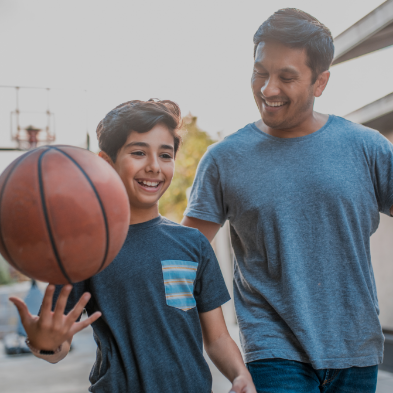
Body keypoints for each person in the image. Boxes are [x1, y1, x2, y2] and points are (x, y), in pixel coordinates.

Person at [182, 8, 392, 393]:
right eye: (260, 72)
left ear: (320, 82)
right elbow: (183, 256)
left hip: (356, 350)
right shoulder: (224, 160)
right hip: (272, 352)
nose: (268, 89)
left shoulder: (368, 149)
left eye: (286, 77)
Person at [10, 99, 256, 393]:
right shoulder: (83, 249)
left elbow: (216, 338)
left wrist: (241, 375)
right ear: (105, 162)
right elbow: (58, 345)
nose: (154, 166)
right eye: (138, 152)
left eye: (165, 155)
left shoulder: (192, 244)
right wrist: (44, 343)